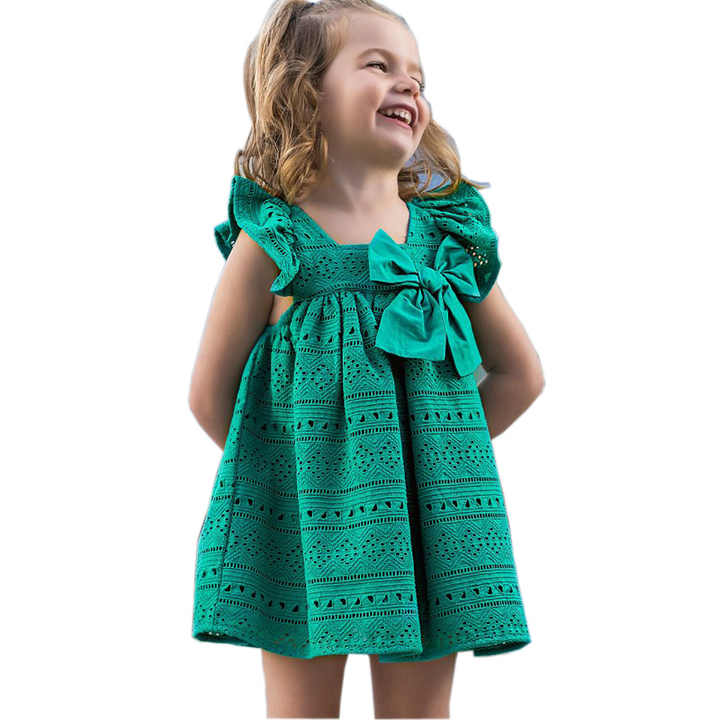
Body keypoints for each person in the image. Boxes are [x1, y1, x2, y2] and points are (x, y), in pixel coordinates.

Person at [188, 0, 544, 716]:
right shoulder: (275, 237)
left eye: (418, 76)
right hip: (305, 526)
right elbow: (209, 393)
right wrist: (301, 482)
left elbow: (521, 376)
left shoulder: (446, 237)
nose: (408, 84)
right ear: (305, 91)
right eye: (378, 65)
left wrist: (431, 461)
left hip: (427, 527)